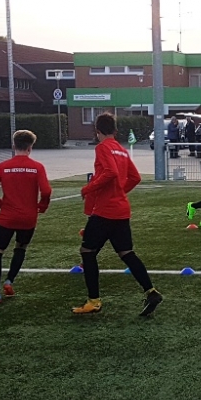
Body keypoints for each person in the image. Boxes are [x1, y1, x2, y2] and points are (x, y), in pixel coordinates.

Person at [73, 112, 163, 316]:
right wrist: (120, 191)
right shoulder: (121, 150)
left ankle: (94, 301)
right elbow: (135, 177)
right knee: (126, 253)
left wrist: (88, 188)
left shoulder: (102, 147)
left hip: (105, 211)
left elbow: (110, 172)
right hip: (121, 210)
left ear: (97, 131)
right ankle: (151, 292)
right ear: (114, 130)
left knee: (87, 252)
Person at [0, 130, 52, 303]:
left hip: (7, 216)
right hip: (28, 217)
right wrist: (42, 206)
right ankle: (9, 280)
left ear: (13, 146)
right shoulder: (37, 167)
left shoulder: (4, 166)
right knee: (21, 247)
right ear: (30, 147)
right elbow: (46, 191)